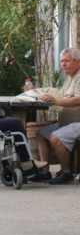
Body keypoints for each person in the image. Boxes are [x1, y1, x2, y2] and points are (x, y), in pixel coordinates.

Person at [35, 48, 80, 184]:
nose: (63, 64)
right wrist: (39, 94)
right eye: (61, 61)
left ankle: (66, 172)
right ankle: (44, 171)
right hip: (68, 123)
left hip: (78, 122)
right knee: (41, 134)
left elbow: (78, 99)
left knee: (55, 137)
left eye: (66, 61)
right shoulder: (70, 77)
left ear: (78, 61)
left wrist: (56, 101)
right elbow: (59, 95)